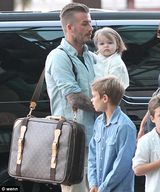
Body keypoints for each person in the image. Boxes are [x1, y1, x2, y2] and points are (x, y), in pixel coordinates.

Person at [45, 3, 96, 192]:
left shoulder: (89, 56)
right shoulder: (58, 57)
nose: (91, 28)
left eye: (90, 23)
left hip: (93, 139)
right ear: (69, 27)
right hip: (73, 142)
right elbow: (74, 98)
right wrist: (107, 108)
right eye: (85, 24)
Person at [88, 76, 136, 192]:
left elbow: (122, 165)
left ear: (104, 98)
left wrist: (104, 188)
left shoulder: (125, 126)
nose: (91, 100)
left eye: (94, 96)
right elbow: (92, 154)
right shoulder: (99, 122)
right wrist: (93, 183)